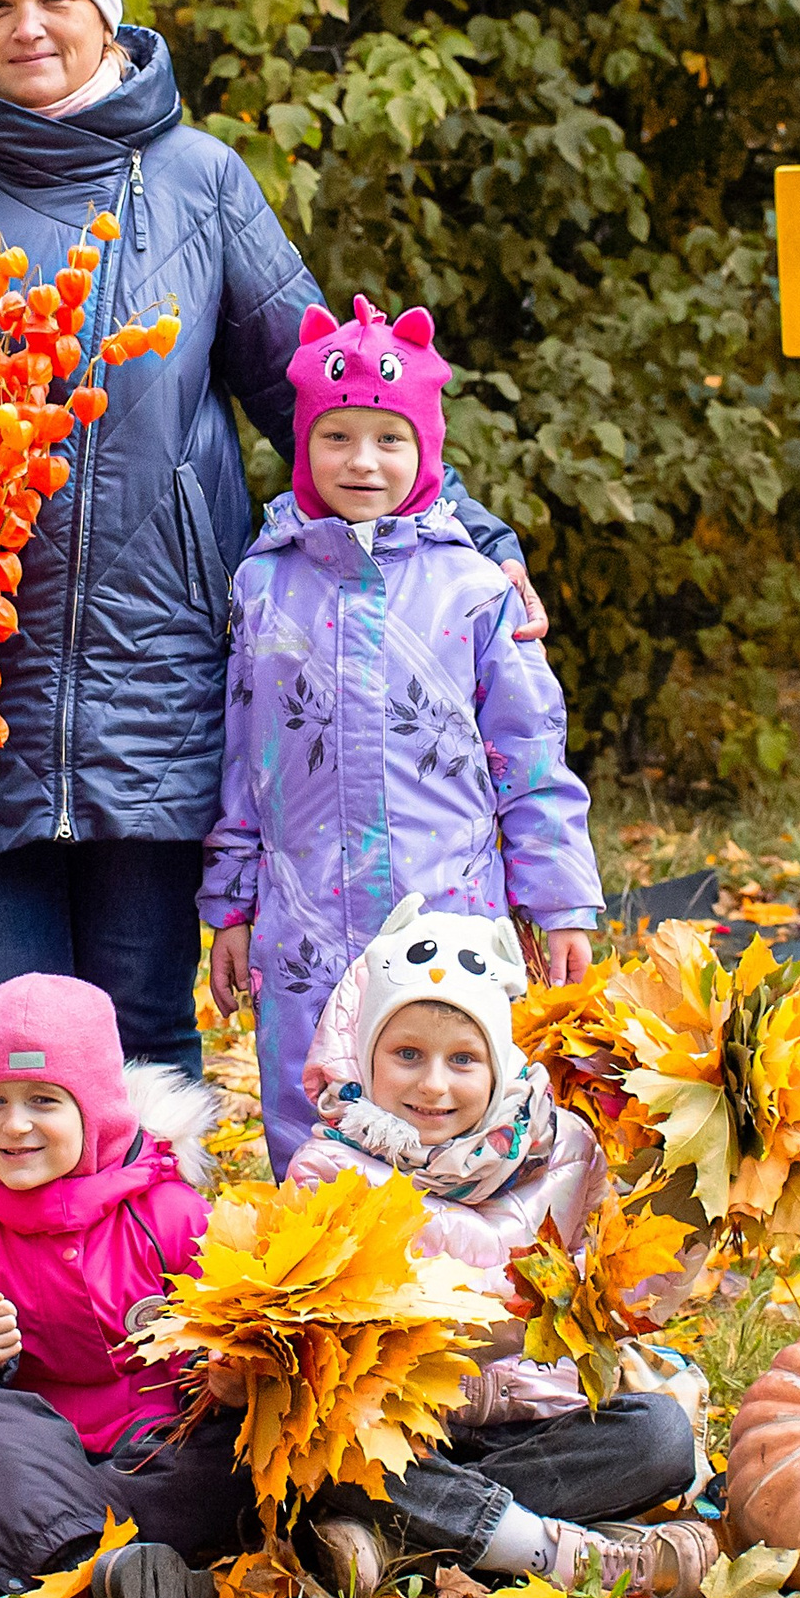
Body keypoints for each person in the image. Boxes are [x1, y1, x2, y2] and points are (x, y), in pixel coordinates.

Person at [0, 0, 542, 1080]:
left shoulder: (197, 184)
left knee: (142, 1032)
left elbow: (326, 396)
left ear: (102, 11)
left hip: (165, 677)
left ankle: (154, 1268)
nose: (28, 26)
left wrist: (476, 539)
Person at [199, 297, 603, 1171]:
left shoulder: (472, 589)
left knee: (450, 1104)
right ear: (304, 445)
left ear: (428, 451)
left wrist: (559, 897)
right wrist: (229, 905)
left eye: (390, 439)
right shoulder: (264, 585)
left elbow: (531, 758)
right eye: (337, 437)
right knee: (309, 1113)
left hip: (447, 914)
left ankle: (467, 1281)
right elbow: (241, 761)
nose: (363, 461)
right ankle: (326, 1291)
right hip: (302, 927)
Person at [281, 897, 718, 1598]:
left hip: (541, 1428)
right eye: (407, 1055)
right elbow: (325, 1347)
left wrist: (686, 1225)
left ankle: (407, 1544)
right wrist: (483, 1334)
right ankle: (565, 1555)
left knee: (660, 1437)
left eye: (463, 1059)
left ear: (498, 1060)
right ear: (366, 1053)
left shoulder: (567, 1152)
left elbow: (618, 1303)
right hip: (412, 1436)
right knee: (336, 1458)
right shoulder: (329, 1170)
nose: (433, 1084)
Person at [0, 972, 259, 1598]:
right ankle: (97, 1576)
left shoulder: (170, 1211)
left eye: (44, 1100)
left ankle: (9, 1564)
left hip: (156, 1446)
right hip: (31, 1448)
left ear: (98, 1110)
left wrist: (225, 1376)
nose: (15, 1126)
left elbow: (226, 1322)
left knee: (233, 1457)